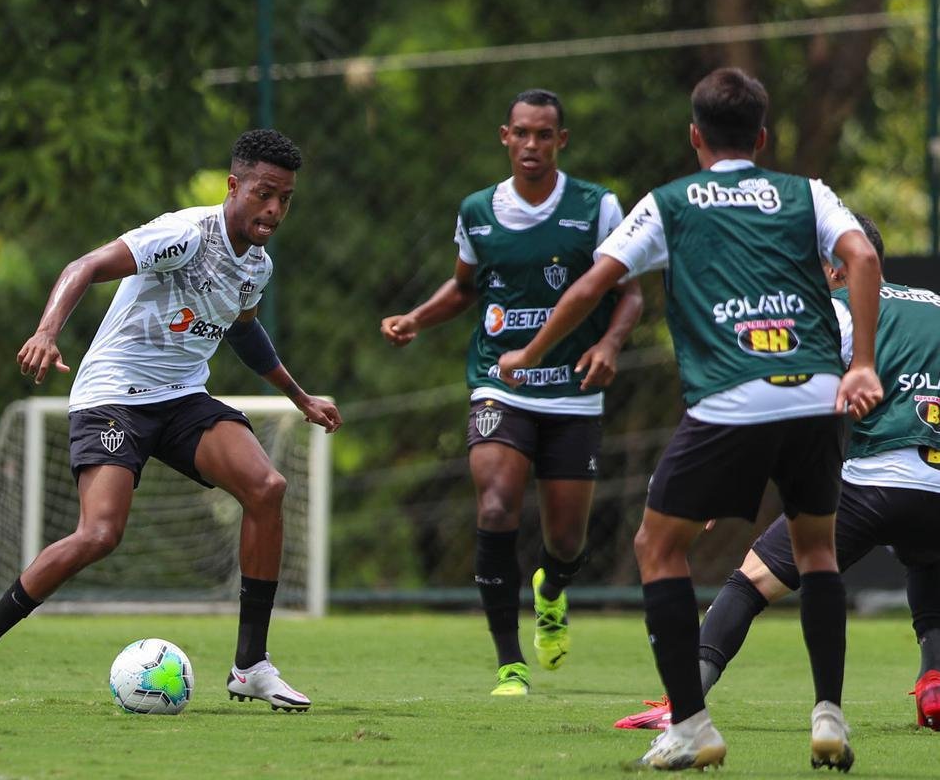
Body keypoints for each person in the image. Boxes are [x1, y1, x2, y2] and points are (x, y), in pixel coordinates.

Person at [497, 67, 882, 771]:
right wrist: (861, 364)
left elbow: (593, 284)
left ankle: (692, 725)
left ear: (694, 137)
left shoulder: (669, 202)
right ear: (761, 138)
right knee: (816, 551)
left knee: (656, 545)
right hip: (813, 391)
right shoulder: (806, 193)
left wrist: (529, 350)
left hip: (733, 398)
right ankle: (828, 713)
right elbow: (860, 255)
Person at [0, 129, 342, 715]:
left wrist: (299, 396)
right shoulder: (183, 235)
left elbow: (243, 329)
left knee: (267, 488)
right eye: (263, 194)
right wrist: (47, 332)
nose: (274, 209)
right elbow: (85, 265)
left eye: (285, 198)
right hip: (113, 396)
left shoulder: (256, 265)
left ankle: (250, 665)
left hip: (180, 398)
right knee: (100, 534)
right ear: (235, 186)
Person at [614, 214, 940, 734]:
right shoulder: (934, 306)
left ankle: (684, 702)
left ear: (839, 268)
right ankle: (934, 686)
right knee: (926, 557)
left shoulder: (838, 310)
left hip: (879, 474)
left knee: (752, 580)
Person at [380, 88, 643, 696]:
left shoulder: (596, 206)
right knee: (496, 505)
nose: (531, 145)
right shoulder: (476, 210)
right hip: (500, 383)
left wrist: (609, 345)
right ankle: (509, 663)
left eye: (543, 135)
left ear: (561, 140)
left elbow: (627, 291)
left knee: (567, 542)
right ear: (505, 136)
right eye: (521, 133)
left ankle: (552, 589)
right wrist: (417, 319)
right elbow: (464, 288)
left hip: (572, 391)